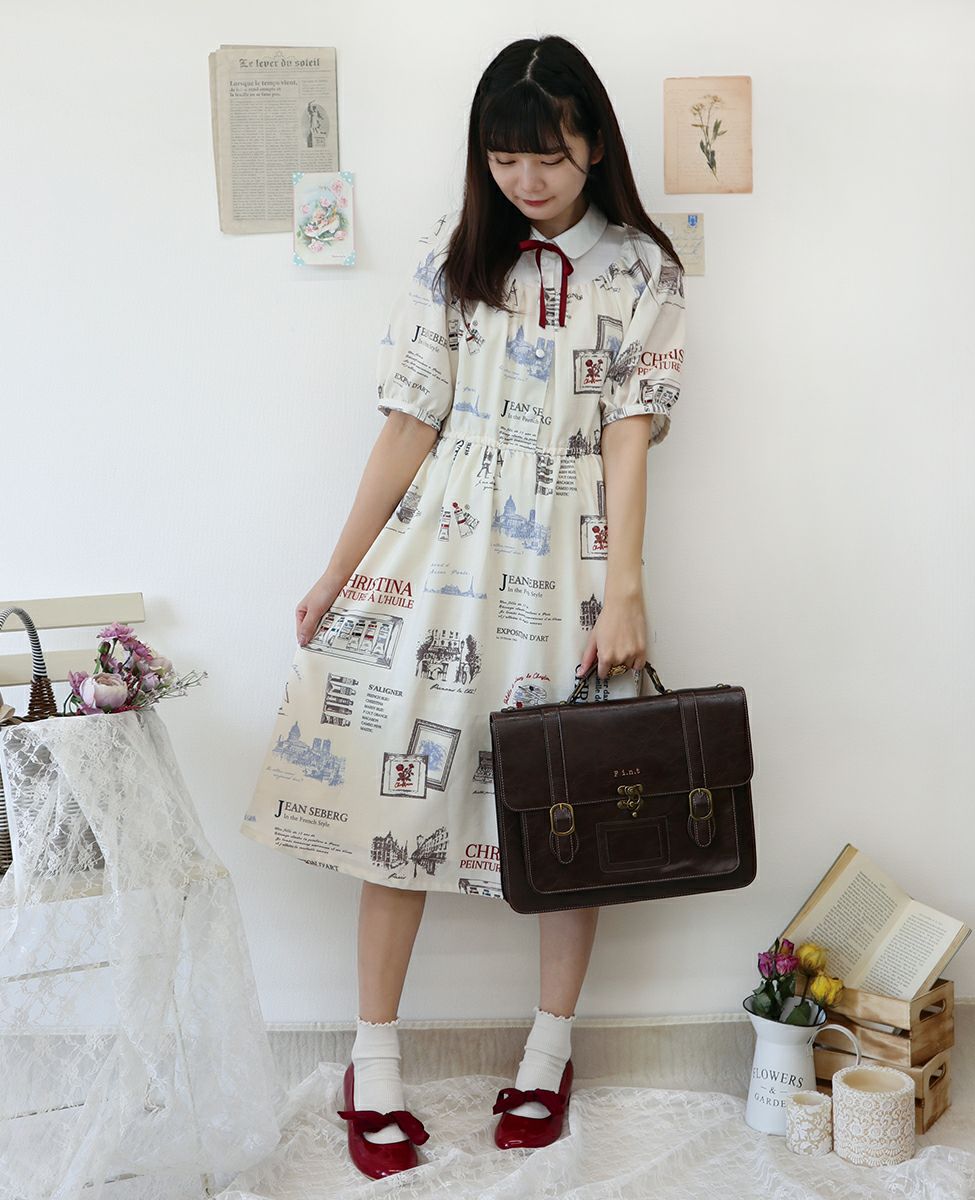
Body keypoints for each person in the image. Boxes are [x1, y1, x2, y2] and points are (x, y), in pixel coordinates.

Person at [240, 33, 685, 1181]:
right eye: (503, 157)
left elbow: (629, 438)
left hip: (572, 561)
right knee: (406, 802)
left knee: (568, 815)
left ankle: (548, 1054)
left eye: (549, 155)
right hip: (437, 554)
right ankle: (371, 1062)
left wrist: (625, 591)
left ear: (594, 143)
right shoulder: (457, 254)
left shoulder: (641, 269)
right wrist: (337, 572)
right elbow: (409, 423)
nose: (526, 179)